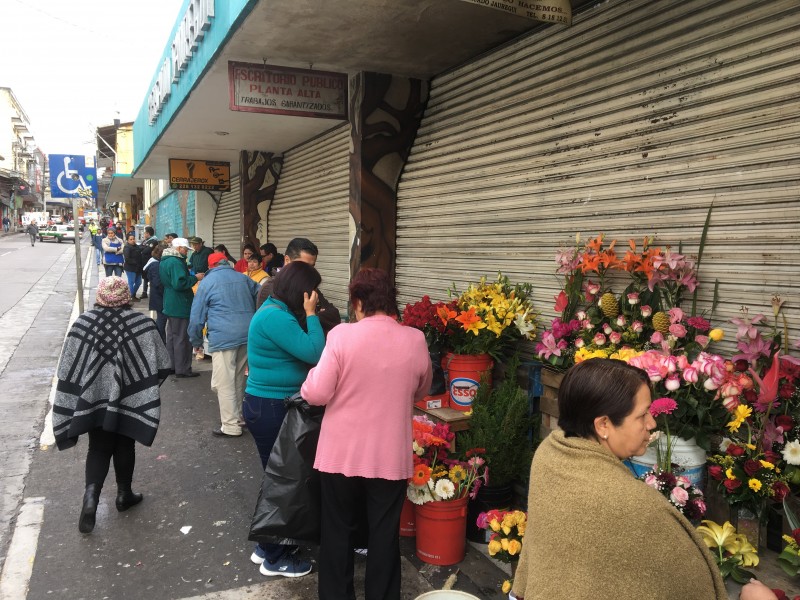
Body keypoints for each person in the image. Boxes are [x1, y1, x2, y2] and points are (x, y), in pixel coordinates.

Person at [510, 358, 734, 600]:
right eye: (642, 415)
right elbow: (692, 585)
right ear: (603, 424)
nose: (652, 423)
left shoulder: (549, 452)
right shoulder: (632, 503)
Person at [301, 268, 432, 600]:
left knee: (337, 532)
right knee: (384, 536)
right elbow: (422, 389)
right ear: (390, 302)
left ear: (357, 301)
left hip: (340, 455)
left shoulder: (343, 336)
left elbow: (317, 393)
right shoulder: (415, 339)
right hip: (389, 456)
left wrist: (311, 377)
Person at [52, 276, 171, 534]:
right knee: (125, 443)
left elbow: (67, 369)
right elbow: (163, 365)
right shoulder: (142, 324)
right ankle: (124, 495)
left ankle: (91, 496)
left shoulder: (83, 324)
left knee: (98, 446)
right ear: (126, 296)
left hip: (93, 400)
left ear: (100, 296)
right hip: (130, 397)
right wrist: (138, 392)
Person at [245, 261, 325, 578]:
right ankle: (275, 558)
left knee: (276, 478)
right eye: (313, 290)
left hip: (269, 405)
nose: (317, 296)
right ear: (302, 291)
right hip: (270, 407)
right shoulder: (275, 316)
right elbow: (315, 351)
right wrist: (311, 314)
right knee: (280, 482)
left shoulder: (274, 311)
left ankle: (266, 546)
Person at [188, 252, 259, 437]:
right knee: (237, 379)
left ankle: (230, 426)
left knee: (223, 382)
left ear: (211, 266)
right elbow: (261, 295)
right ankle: (238, 418)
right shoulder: (243, 278)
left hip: (223, 337)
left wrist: (196, 342)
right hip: (247, 334)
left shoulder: (207, 283)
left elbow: (196, 317)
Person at [256, 237, 341, 334]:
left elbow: (334, 315)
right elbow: (294, 322)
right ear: (287, 260)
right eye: (302, 266)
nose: (308, 271)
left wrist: (311, 315)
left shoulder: (309, 285)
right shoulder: (271, 288)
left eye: (312, 266)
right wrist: (314, 313)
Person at [160, 238, 203, 378]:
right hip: (180, 303)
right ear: (179, 248)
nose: (187, 252)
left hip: (170, 302)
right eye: (185, 249)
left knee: (172, 336)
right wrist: (195, 278)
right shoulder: (175, 262)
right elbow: (180, 284)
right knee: (182, 337)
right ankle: (183, 369)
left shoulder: (165, 260)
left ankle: (172, 366)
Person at [143, 243, 168, 341]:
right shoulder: (156, 264)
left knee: (161, 320)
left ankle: (160, 340)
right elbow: (158, 283)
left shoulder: (154, 262)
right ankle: (160, 341)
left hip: (157, 296)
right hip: (159, 297)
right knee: (161, 321)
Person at [123, 233, 144, 301]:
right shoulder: (127, 247)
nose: (132, 240)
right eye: (131, 239)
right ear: (127, 240)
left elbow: (141, 248)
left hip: (138, 268)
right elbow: (127, 259)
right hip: (130, 268)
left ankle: (132, 294)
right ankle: (131, 296)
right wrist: (136, 262)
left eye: (133, 239)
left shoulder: (136, 246)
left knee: (139, 282)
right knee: (131, 282)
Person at [139, 227, 159, 299]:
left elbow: (146, 250)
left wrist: (142, 248)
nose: (144, 234)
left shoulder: (154, 241)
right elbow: (140, 247)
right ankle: (144, 292)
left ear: (148, 233)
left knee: (151, 277)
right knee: (145, 278)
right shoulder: (145, 240)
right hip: (144, 262)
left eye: (145, 233)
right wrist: (143, 248)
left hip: (151, 262)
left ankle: (153, 293)